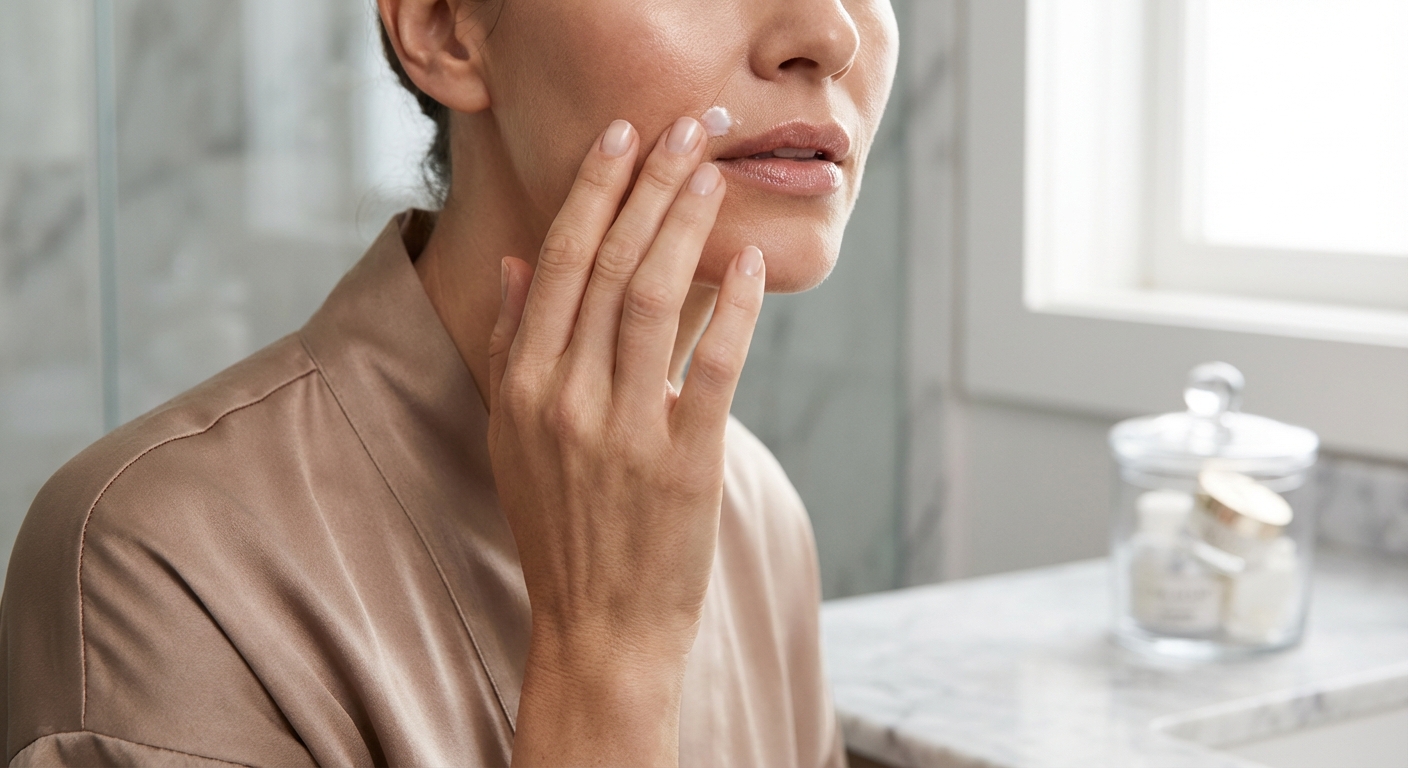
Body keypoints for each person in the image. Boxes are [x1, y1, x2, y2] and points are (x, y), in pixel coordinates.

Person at [0, 0, 898, 764]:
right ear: (443, 29)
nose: (829, 31)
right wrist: (604, 662)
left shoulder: (758, 511)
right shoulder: (154, 562)